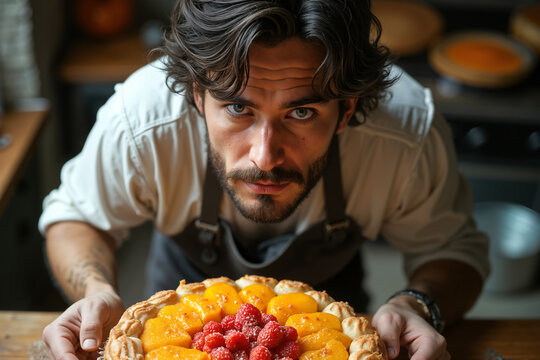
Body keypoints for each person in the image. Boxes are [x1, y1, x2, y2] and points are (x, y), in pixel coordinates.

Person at [40, 0, 489, 359]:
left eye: (301, 112)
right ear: (198, 95)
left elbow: (453, 250)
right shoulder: (142, 121)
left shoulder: (405, 136)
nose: (265, 155)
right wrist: (96, 291)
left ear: (347, 111)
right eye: (239, 109)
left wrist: (416, 304)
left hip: (328, 327)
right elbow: (77, 217)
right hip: (180, 317)